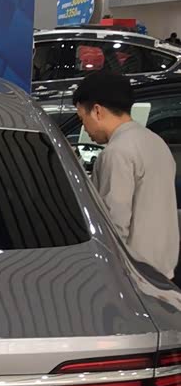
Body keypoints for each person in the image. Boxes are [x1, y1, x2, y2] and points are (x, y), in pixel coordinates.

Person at [73, 72, 179, 280]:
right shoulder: (156, 142)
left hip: (133, 273)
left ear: (97, 111)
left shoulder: (117, 152)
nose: (84, 127)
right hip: (163, 268)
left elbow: (115, 224)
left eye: (82, 119)